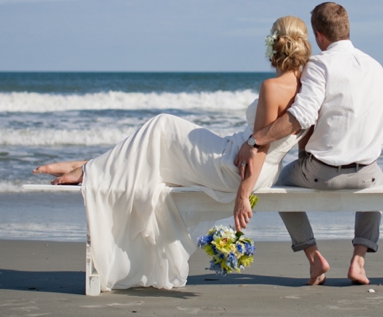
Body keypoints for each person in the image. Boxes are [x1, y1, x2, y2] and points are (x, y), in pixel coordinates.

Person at [33, 16, 311, 291]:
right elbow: (290, 141)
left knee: (162, 125)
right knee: (157, 147)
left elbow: (258, 149)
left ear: (275, 45)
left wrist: (242, 196)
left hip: (234, 167)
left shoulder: (273, 88)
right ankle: (90, 165)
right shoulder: (307, 90)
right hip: (261, 172)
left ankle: (88, 168)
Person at [235, 2, 383, 286]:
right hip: (366, 173)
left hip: (321, 173)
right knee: (378, 182)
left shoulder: (320, 64)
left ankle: (313, 255)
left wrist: (256, 139)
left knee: (282, 182)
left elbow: (302, 116)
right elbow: (382, 132)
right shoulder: (377, 69)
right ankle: (358, 260)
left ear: (319, 36)